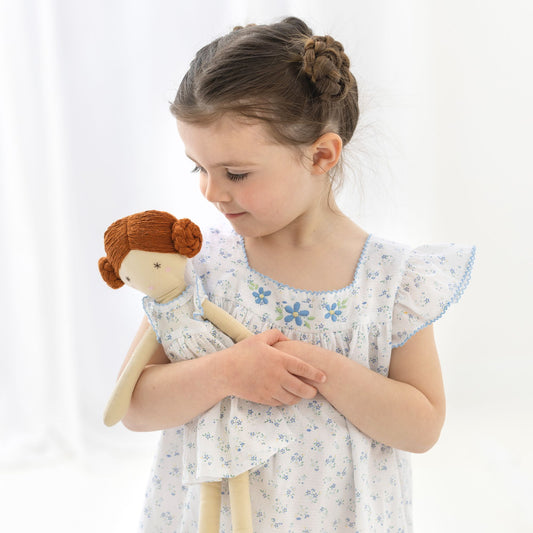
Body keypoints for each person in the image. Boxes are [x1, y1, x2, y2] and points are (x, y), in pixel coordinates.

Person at [120, 17, 475, 532]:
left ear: (321, 155)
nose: (211, 192)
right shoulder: (199, 266)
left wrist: (315, 364)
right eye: (198, 167)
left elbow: (421, 427)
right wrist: (226, 372)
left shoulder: (391, 281)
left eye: (236, 173)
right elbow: (132, 405)